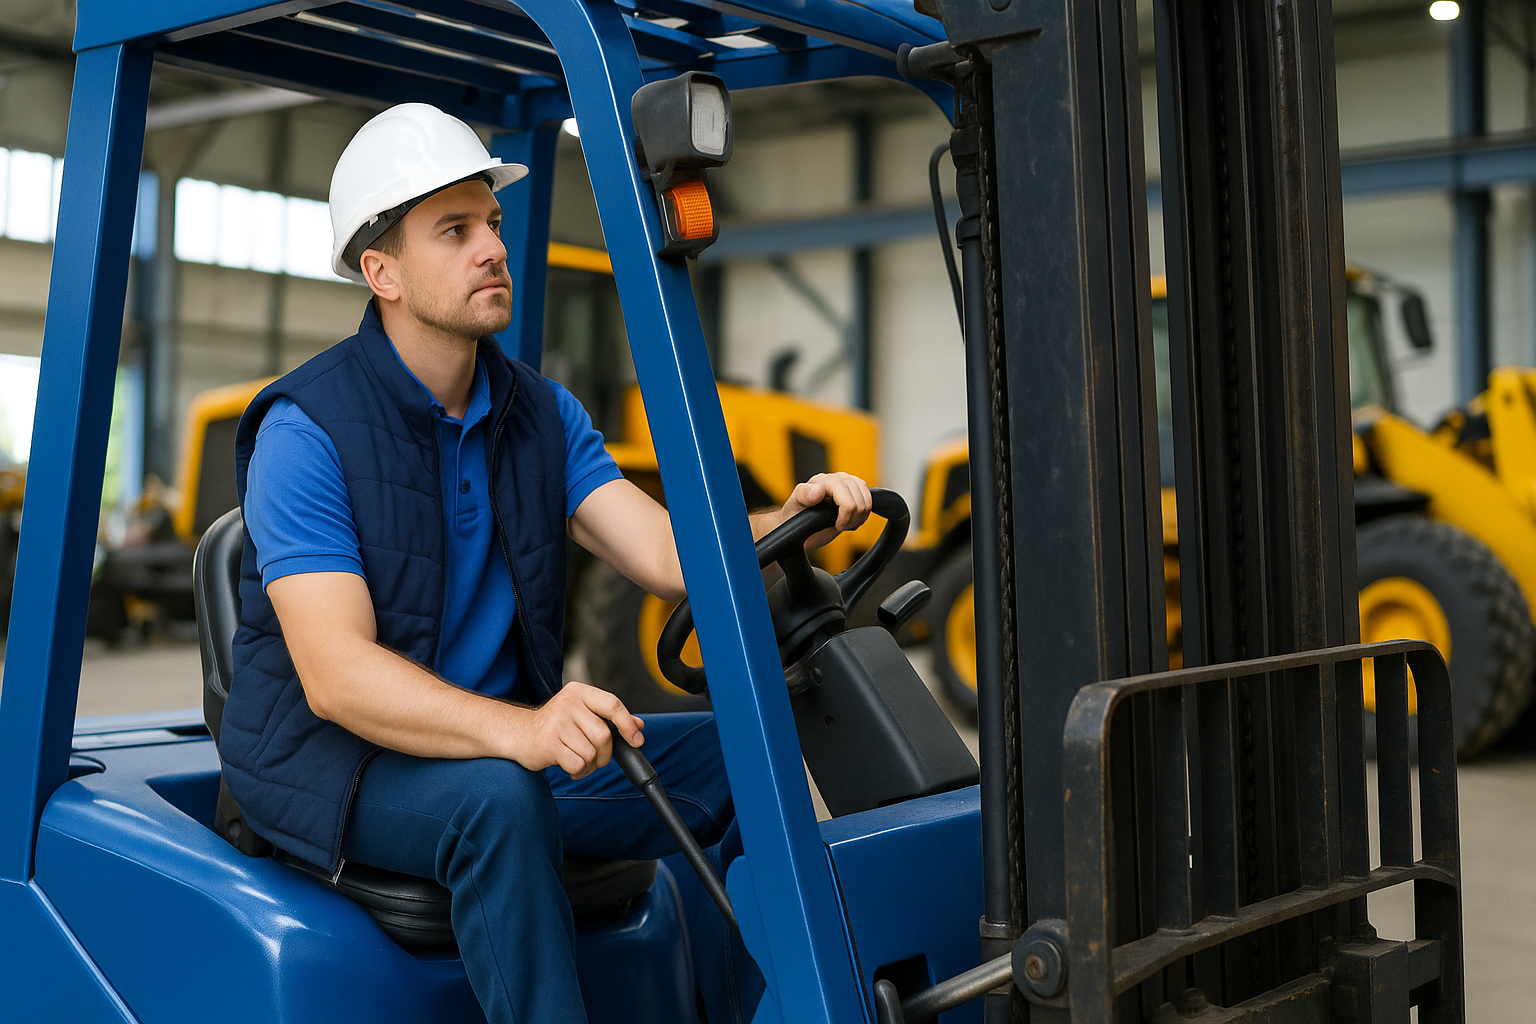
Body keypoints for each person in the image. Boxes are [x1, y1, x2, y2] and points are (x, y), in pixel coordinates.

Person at [218, 102, 873, 1024]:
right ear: (382, 272)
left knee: (743, 748)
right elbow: (335, 677)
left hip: (496, 754)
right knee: (497, 802)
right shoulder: (308, 429)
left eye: (491, 222)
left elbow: (663, 552)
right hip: (339, 767)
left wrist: (784, 519)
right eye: (454, 231)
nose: (493, 246)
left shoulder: (540, 413)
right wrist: (521, 733)